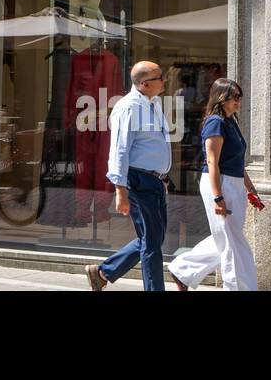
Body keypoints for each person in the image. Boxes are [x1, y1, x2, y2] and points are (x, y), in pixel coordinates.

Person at [85, 60, 172, 291]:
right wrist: (120, 189)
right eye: (159, 77)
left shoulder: (152, 103)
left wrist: (162, 178)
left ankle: (104, 272)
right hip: (138, 180)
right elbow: (120, 149)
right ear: (144, 83)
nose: (164, 80)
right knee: (152, 243)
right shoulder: (129, 107)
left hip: (154, 181)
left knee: (153, 238)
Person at [167, 78, 260, 290]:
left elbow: (236, 161)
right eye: (234, 97)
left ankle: (183, 270)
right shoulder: (215, 122)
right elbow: (212, 161)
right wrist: (218, 197)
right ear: (221, 97)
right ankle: (237, 287)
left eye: (239, 97)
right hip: (220, 183)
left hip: (233, 183)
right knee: (231, 242)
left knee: (227, 237)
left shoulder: (230, 121)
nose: (238, 101)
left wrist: (250, 188)